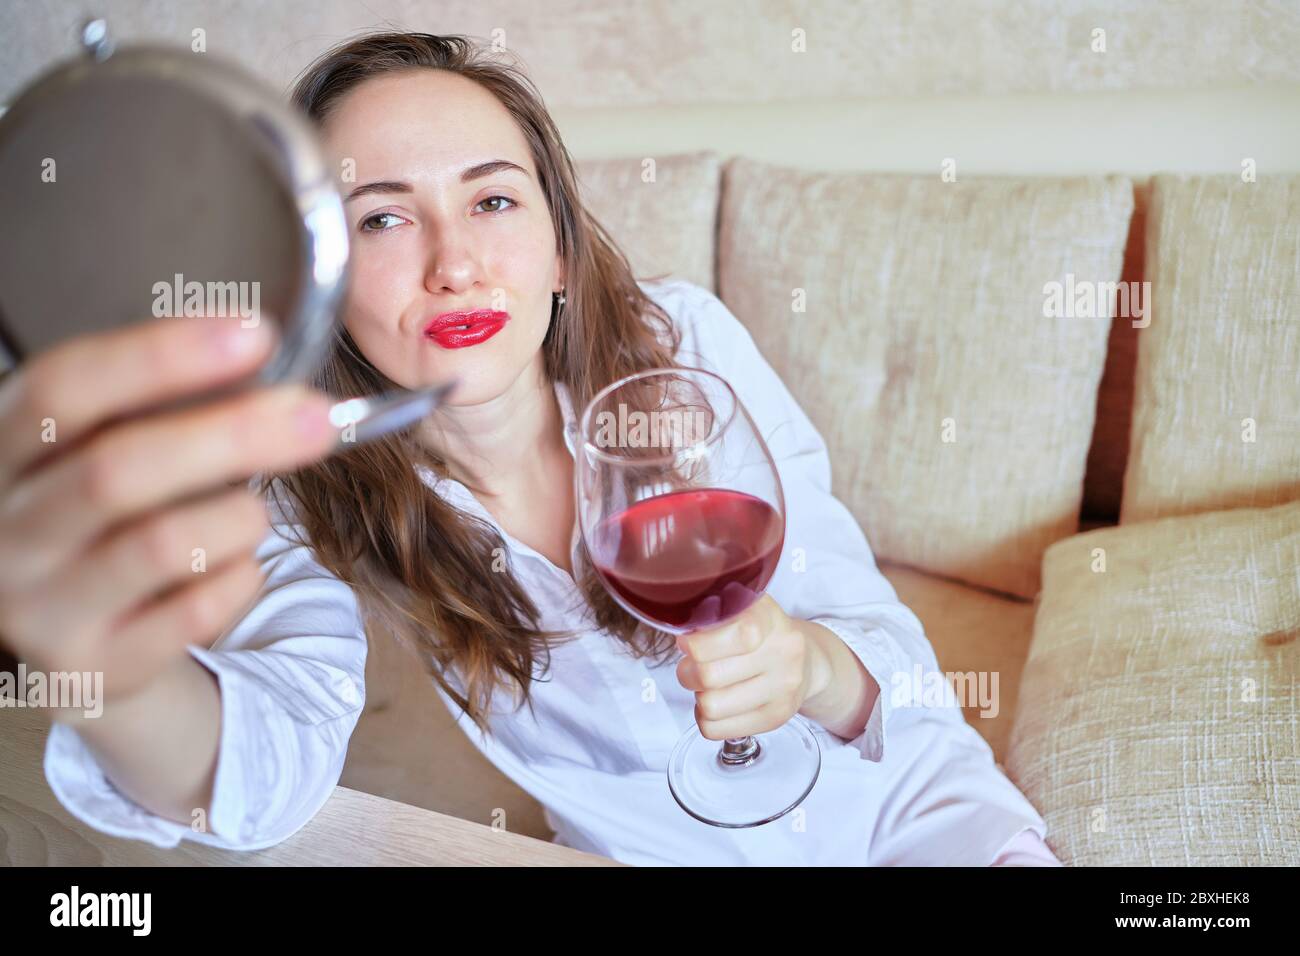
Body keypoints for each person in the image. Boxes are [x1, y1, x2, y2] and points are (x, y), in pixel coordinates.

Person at [2, 31, 1060, 866]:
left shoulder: (679, 343)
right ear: (314, 276)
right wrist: (102, 661)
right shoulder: (304, 483)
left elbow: (888, 655)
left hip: (919, 820)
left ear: (557, 246)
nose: (454, 263)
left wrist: (809, 664)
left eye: (492, 199)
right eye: (380, 220)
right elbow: (263, 771)